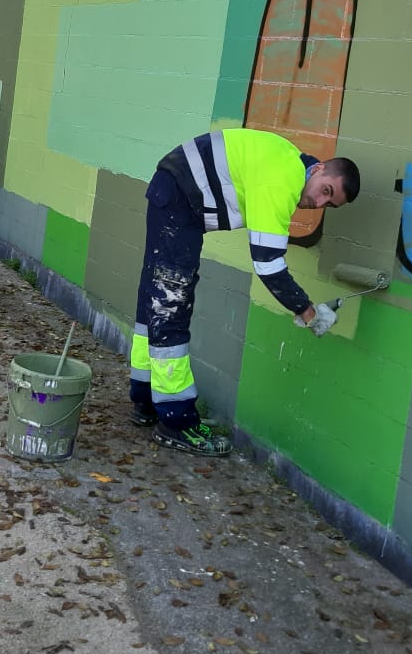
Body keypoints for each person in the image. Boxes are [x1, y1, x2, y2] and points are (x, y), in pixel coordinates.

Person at [130, 128, 360, 457]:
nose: (319, 203)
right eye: (325, 191)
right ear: (320, 168)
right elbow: (268, 264)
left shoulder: (288, 162)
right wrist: (307, 311)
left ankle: (146, 399)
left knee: (157, 298)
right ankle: (176, 422)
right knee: (171, 304)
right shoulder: (284, 180)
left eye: (330, 203)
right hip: (179, 199)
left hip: (173, 191)